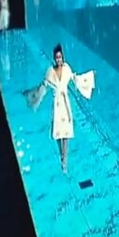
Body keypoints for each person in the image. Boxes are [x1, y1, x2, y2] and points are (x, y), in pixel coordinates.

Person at [23, 44, 95, 173]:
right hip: (57, 105)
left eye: (60, 57)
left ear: (63, 57)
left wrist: (89, 76)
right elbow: (43, 87)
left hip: (65, 105)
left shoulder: (67, 69)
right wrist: (33, 95)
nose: (58, 59)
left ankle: (64, 159)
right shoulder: (50, 72)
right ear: (54, 58)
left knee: (66, 134)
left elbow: (76, 78)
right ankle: (62, 155)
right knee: (58, 133)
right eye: (56, 57)